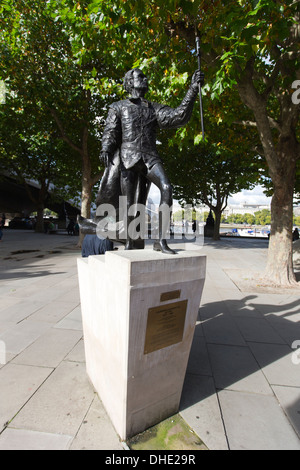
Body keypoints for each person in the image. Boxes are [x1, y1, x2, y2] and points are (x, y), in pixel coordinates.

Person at [99, 68, 204, 254]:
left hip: (150, 157)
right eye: (141, 76)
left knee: (167, 188)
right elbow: (110, 130)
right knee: (130, 203)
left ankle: (161, 241)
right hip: (128, 158)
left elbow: (179, 117)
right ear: (130, 82)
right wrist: (106, 147)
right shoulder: (118, 106)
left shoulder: (154, 108)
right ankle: (130, 242)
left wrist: (193, 89)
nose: (145, 79)